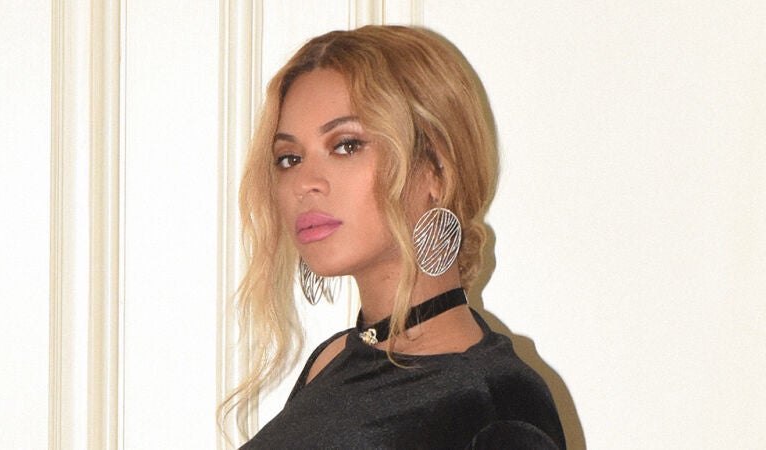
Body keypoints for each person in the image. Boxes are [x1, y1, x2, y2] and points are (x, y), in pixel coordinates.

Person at [220, 25, 566, 449]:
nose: (304, 183)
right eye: (289, 158)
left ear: (437, 169)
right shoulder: (333, 359)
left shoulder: (496, 405)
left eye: (346, 145)